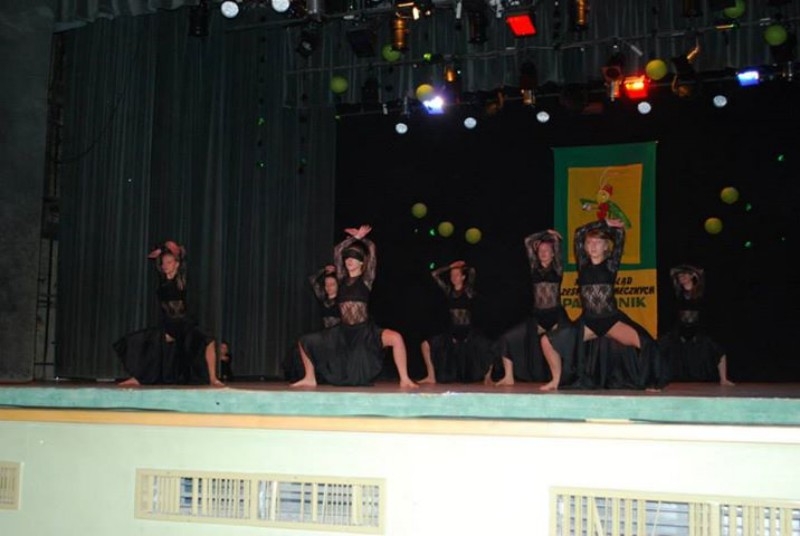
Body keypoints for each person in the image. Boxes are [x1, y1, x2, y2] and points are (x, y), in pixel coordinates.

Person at [539, 219, 666, 391]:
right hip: (588, 322)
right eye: (589, 242)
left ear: (606, 247)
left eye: (598, 242)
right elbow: (579, 232)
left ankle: (652, 382)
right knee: (546, 341)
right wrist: (603, 222)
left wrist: (612, 227)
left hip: (611, 320)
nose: (593, 246)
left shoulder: (611, 264)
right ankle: (556, 380)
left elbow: (619, 236)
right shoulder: (582, 264)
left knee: (648, 343)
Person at [291, 225, 418, 389]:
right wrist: (354, 239)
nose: (348, 260)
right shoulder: (341, 278)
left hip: (364, 330)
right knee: (305, 341)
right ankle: (309, 378)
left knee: (396, 338)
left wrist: (362, 239)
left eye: (353, 258)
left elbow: (372, 249)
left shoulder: (366, 279)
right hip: (343, 331)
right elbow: (337, 250)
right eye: (347, 258)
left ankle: (405, 378)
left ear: (362, 263)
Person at [113, 240, 224, 387]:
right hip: (170, 324)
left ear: (177, 264)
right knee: (146, 342)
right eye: (164, 263)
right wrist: (161, 253)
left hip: (185, 323)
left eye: (169, 262)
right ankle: (138, 378)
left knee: (208, 340)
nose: (165, 265)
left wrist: (166, 249)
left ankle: (213, 379)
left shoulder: (182, 280)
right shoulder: (162, 282)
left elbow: (180, 255)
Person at [492, 229, 571, 386]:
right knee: (508, 338)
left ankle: (558, 379)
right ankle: (508, 376)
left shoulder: (557, 268)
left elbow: (558, 243)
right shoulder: (534, 267)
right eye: (540, 250)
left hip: (556, 316)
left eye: (547, 250)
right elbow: (528, 241)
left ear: (553, 254)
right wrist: (545, 233)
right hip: (537, 318)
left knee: (565, 342)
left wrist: (552, 237)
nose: (543, 253)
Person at [418, 260, 493, 384]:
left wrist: (463, 266)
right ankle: (431, 376)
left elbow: (472, 271)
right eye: (452, 275)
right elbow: (434, 274)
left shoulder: (468, 291)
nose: (454, 277)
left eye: (457, 275)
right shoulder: (448, 291)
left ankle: (488, 378)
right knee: (425, 345)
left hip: (468, 333)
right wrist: (450, 266)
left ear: (463, 277)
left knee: (488, 345)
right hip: (452, 333)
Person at [659, 264, 734, 386]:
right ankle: (656, 378)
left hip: (697, 330)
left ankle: (723, 379)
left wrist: (696, 273)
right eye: (679, 276)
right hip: (680, 330)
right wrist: (681, 273)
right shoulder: (678, 292)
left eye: (684, 275)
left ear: (691, 276)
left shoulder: (700, 292)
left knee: (718, 350)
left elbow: (701, 279)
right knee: (660, 347)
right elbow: (672, 273)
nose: (681, 277)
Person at [283, 264, 340, 382]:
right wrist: (324, 270)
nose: (329, 287)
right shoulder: (323, 298)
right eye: (326, 284)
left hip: (339, 334)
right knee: (300, 346)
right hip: (326, 334)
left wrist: (338, 271)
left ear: (338, 285)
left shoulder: (343, 299)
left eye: (332, 284)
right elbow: (312, 279)